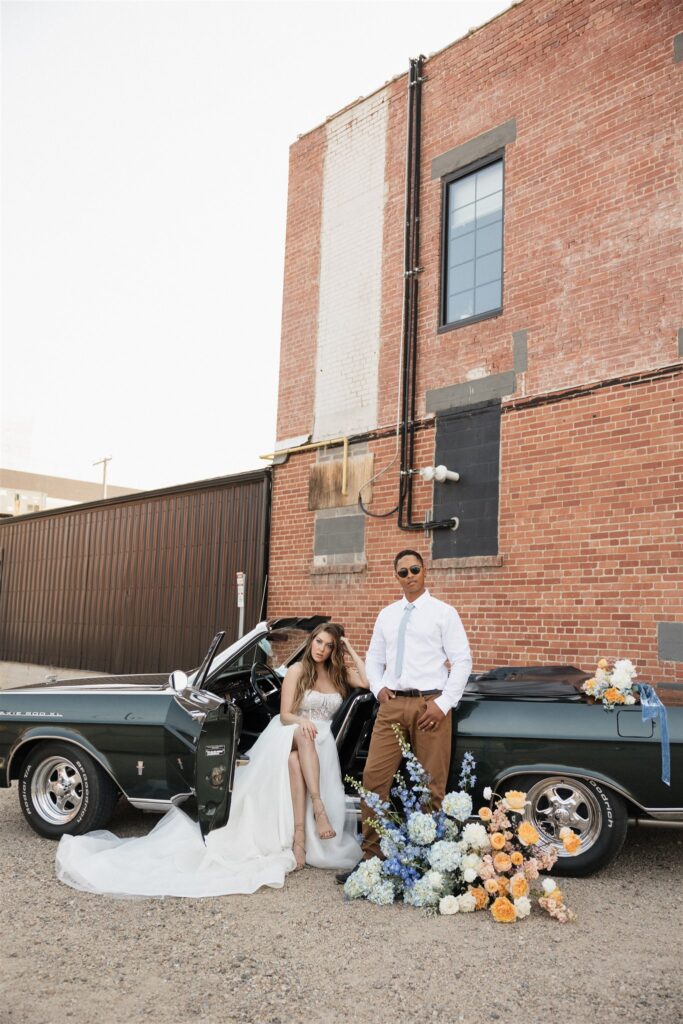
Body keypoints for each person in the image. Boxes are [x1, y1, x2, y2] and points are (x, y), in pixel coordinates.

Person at [55, 623, 366, 897]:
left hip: (320, 743)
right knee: (302, 738)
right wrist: (303, 721)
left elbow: (367, 683)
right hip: (294, 731)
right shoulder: (298, 671)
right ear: (311, 641)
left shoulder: (339, 674)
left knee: (295, 763)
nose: (322, 649)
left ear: (334, 649)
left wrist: (349, 645)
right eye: (319, 642)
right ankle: (318, 809)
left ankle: (300, 837)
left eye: (329, 645)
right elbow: (285, 715)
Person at [337, 550, 471, 881]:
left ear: (424, 571)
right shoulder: (387, 615)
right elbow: (374, 657)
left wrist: (444, 704)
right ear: (395, 576)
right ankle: (372, 859)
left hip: (431, 707)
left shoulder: (443, 613)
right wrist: (379, 687)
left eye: (414, 569)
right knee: (373, 781)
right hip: (393, 706)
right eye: (402, 572)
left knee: (430, 787)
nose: (409, 575)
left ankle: (428, 864)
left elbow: (462, 660)